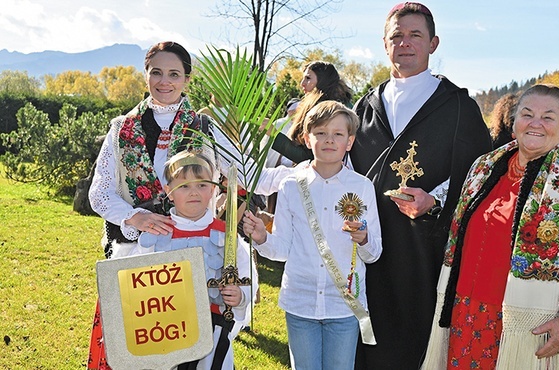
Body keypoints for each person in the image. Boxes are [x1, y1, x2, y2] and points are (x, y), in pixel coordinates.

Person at [421, 83, 559, 369]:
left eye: (548, 117)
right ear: (514, 124)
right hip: (466, 313)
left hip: (528, 323)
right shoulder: (484, 168)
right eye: (527, 114)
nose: (536, 123)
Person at [349, 3, 493, 369]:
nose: (405, 43)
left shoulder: (458, 105)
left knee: (416, 343)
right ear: (385, 44)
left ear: (433, 43)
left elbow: (479, 174)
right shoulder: (364, 107)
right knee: (367, 342)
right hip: (368, 245)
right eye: (397, 36)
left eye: (415, 35)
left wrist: (436, 200)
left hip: (423, 249)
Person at [87, 41, 220, 369]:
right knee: (133, 351)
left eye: (174, 74)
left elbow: (233, 181)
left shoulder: (204, 130)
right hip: (134, 255)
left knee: (181, 351)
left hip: (189, 255)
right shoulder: (121, 128)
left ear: (187, 79)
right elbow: (100, 193)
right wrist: (137, 217)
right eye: (156, 72)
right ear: (145, 75)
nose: (165, 81)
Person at [242, 101, 383, 370]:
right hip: (300, 302)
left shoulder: (362, 187)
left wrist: (363, 239)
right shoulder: (291, 185)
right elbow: (282, 249)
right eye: (320, 132)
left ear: (350, 142)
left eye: (338, 134)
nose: (329, 140)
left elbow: (374, 253)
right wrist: (262, 238)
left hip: (343, 304)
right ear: (307, 139)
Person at [130, 150, 257, 370]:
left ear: (213, 190)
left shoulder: (226, 236)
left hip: (214, 328)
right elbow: (134, 282)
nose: (194, 193)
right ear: (169, 191)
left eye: (202, 185)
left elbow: (247, 275)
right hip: (165, 331)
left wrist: (241, 295)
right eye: (184, 186)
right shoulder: (155, 234)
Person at [271, 61, 354, 164]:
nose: (302, 83)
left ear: (322, 81)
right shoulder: (342, 107)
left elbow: (308, 157)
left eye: (308, 78)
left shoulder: (327, 112)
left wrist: (273, 134)